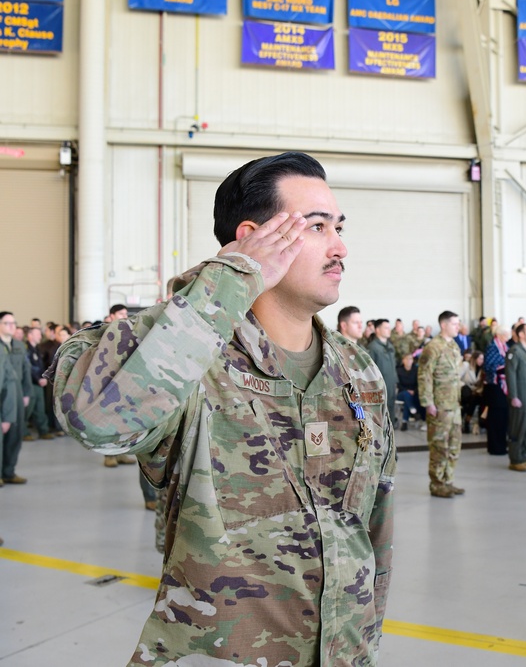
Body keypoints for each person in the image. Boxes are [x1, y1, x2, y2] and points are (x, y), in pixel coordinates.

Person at [50, 151, 395, 665]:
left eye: (338, 227)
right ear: (253, 238)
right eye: (318, 227)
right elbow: (96, 421)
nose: (341, 247)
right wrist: (231, 276)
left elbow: (376, 527)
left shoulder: (356, 369)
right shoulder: (188, 357)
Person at [418, 311, 464, 497]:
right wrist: (428, 403)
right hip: (440, 406)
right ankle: (437, 484)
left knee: (454, 446)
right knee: (439, 447)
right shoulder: (432, 347)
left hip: (454, 405)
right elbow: (424, 375)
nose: (457, 327)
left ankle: (448, 481)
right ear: (444, 325)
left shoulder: (454, 346)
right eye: (454, 324)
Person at [101, 305, 139, 468]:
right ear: (111, 316)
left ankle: (121, 453)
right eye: (120, 313)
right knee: (107, 420)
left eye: (125, 313)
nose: (124, 316)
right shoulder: (104, 332)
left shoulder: (129, 332)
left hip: (124, 380)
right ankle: (108, 456)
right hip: (107, 382)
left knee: (123, 420)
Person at [0, 311, 30, 485]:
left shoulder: (19, 345)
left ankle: (9, 472)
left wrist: (26, 393)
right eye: (7, 323)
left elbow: (26, 370)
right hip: (2, 393)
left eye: (13, 323)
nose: (12, 326)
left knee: (15, 434)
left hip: (16, 394)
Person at [505, 322, 526, 472]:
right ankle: (515, 459)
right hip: (519, 396)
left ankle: (523, 456)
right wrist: (514, 396)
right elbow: (510, 375)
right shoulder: (514, 351)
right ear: (521, 334)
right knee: (518, 427)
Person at [366, 318, 399, 428]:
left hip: (391, 384)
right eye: (386, 328)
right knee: (381, 414)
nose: (389, 330)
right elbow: (369, 370)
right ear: (378, 330)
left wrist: (396, 382)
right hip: (379, 387)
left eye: (389, 328)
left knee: (391, 408)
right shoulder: (373, 347)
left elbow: (393, 366)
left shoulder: (390, 346)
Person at [482, 326, 510, 455]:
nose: (507, 338)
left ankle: (502, 444)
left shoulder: (505, 346)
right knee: (495, 418)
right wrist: (505, 365)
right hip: (494, 386)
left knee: (503, 417)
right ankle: (495, 447)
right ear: (499, 335)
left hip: (503, 386)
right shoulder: (492, 347)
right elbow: (489, 365)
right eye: (506, 335)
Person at [23, 326, 52, 440]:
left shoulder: (37, 349)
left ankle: (43, 431)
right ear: (30, 335)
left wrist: (43, 377)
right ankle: (24, 432)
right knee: (27, 410)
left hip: (39, 383)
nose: (40, 336)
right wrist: (38, 379)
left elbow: (40, 366)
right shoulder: (26, 349)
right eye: (37, 334)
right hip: (30, 383)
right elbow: (28, 367)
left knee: (40, 408)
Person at [395, 352, 424, 431]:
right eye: (406, 359)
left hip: (414, 393)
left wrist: (414, 391)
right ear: (403, 360)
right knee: (406, 395)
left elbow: (419, 383)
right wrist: (407, 390)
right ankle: (414, 412)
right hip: (402, 393)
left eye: (410, 359)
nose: (408, 361)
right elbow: (398, 384)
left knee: (408, 399)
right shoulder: (398, 370)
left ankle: (405, 421)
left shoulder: (416, 370)